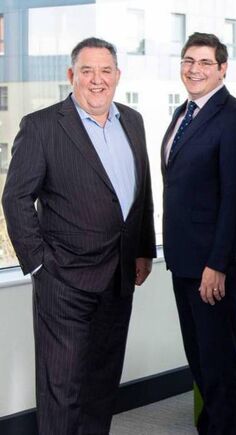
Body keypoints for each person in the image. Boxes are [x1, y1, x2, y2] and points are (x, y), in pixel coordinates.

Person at [1, 37, 156, 434]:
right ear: (71, 76)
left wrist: (141, 250)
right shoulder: (41, 127)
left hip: (119, 279)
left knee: (101, 386)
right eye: (87, 71)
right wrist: (38, 264)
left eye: (105, 71)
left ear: (118, 76)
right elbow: (16, 198)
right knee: (62, 390)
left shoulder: (133, 121)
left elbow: (142, 192)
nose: (96, 80)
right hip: (64, 282)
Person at [160, 32, 236, 434]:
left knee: (219, 366)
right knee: (201, 361)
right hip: (185, 260)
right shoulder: (182, 113)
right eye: (188, 61)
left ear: (223, 69)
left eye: (204, 62)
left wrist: (216, 264)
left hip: (215, 265)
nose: (194, 69)